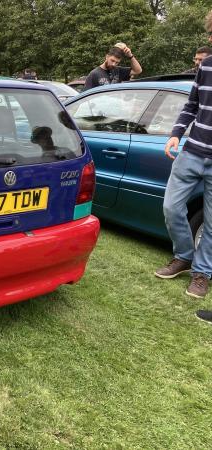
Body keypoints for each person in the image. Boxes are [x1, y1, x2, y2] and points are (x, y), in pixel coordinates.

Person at [155, 9, 212, 324]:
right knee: (171, 207)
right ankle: (184, 256)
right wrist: (175, 134)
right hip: (191, 152)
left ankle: (201, 274)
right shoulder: (206, 67)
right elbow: (191, 105)